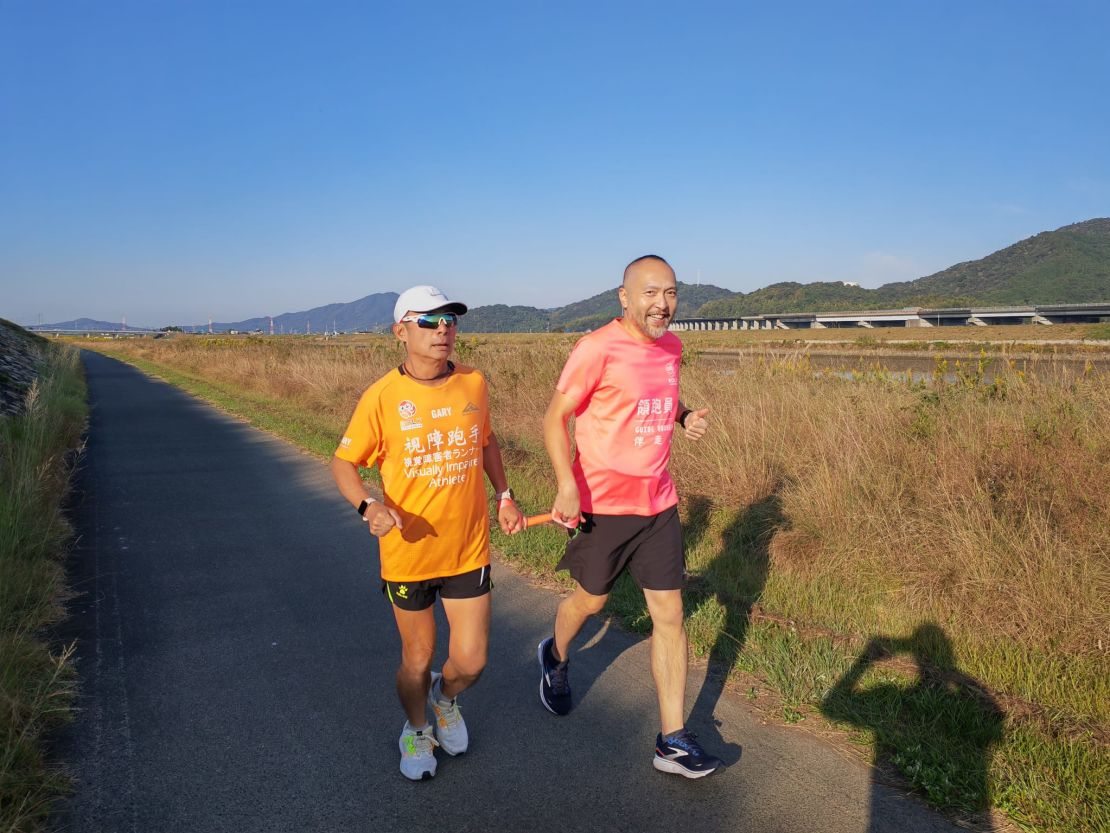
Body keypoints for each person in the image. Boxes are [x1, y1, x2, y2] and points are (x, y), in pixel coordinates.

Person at [537, 254, 721, 778]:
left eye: (671, 293)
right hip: (604, 506)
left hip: (659, 505)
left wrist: (683, 416)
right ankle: (556, 653)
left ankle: (672, 740)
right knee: (591, 601)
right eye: (649, 293)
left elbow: (659, 393)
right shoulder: (596, 347)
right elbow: (556, 418)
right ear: (624, 297)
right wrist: (566, 485)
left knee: (670, 616)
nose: (662, 304)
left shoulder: (672, 346)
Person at [331, 285, 525, 781]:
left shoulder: (473, 383)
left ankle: (445, 701)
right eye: (429, 321)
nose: (443, 329)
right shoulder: (381, 397)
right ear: (401, 331)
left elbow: (487, 441)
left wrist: (504, 494)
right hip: (407, 555)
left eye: (450, 320)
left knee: (472, 660)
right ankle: (416, 727)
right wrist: (367, 505)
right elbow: (344, 462)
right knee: (416, 658)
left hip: (466, 549)